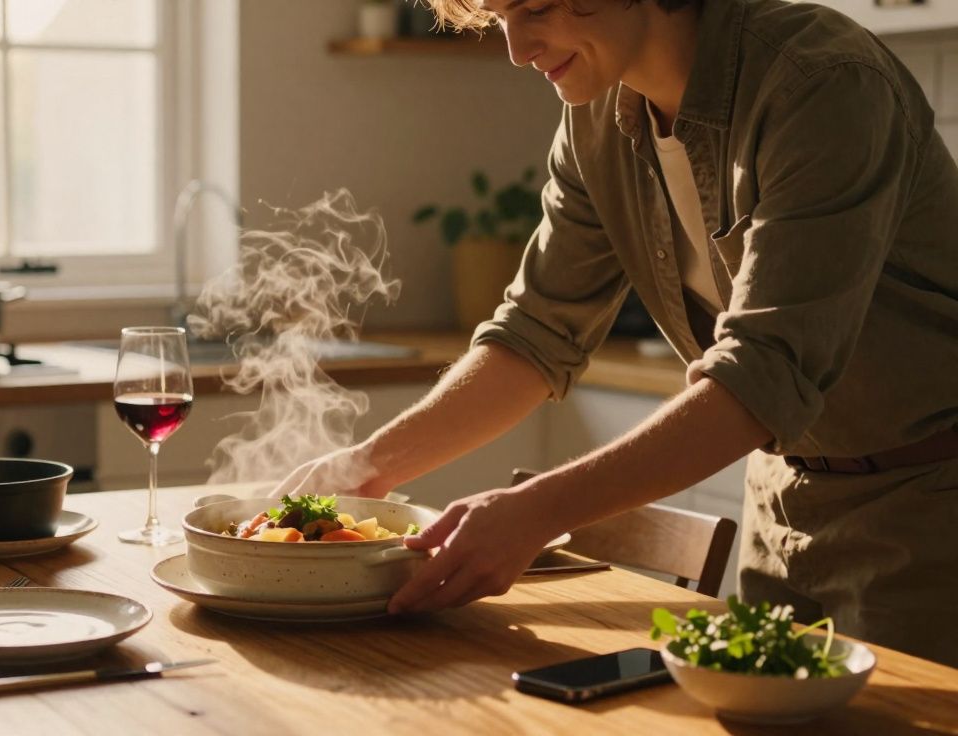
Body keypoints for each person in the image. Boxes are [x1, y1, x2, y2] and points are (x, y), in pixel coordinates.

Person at [277, 0, 958, 667]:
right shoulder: (595, 118)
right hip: (779, 504)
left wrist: (533, 512)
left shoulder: (823, 83)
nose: (516, 49)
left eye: (536, 9)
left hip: (928, 512)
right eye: (498, 18)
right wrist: (367, 466)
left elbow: (765, 373)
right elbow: (536, 331)